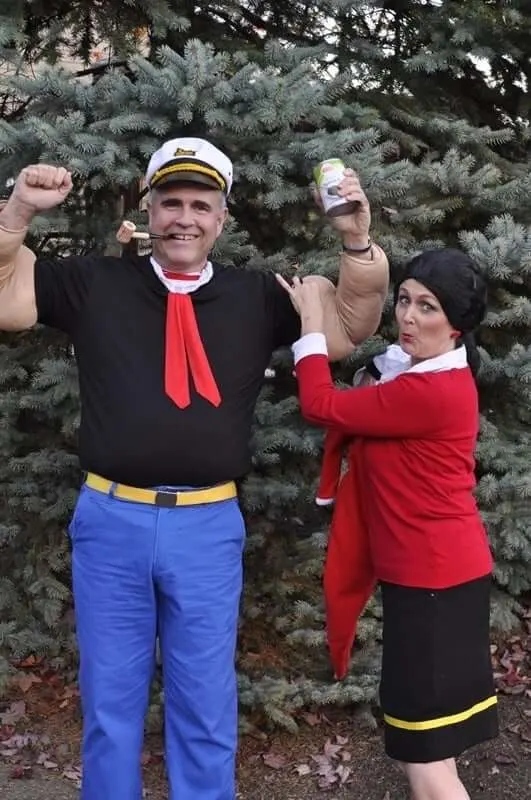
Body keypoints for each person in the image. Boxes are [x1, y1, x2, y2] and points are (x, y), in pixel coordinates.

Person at [0, 136, 389, 800]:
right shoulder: (93, 283)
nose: (183, 218)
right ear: (148, 210)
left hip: (207, 526)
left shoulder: (261, 296)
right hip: (110, 520)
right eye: (169, 202)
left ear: (222, 218)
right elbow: (7, 303)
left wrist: (355, 241)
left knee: (206, 711)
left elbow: (351, 323)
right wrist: (16, 216)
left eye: (200, 205)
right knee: (110, 709)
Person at [281, 248, 498, 800]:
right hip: (438, 580)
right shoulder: (417, 374)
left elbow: (321, 405)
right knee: (429, 750)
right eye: (404, 299)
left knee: (425, 762)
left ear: (457, 326)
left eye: (428, 307)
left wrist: (310, 322)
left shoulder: (429, 391)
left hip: (435, 588)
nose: (407, 316)